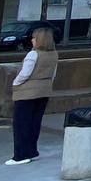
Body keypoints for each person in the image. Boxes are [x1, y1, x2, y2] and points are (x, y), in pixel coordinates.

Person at [7, 25, 58, 165]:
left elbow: (25, 73)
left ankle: (20, 155)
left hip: (26, 93)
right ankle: (32, 151)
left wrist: (15, 83)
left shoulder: (33, 54)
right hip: (44, 91)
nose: (32, 40)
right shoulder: (54, 54)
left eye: (34, 38)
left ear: (40, 40)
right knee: (35, 122)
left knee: (21, 124)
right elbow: (53, 74)